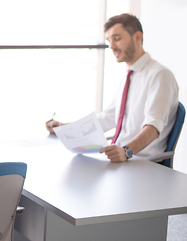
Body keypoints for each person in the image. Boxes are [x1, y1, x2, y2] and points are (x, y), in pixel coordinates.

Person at [46, 13, 179, 162]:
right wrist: (66, 128)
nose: (111, 46)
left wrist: (126, 150)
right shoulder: (128, 77)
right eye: (109, 40)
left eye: (117, 39)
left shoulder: (160, 75)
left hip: (140, 161)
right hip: (121, 159)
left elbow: (153, 127)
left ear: (137, 37)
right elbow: (108, 117)